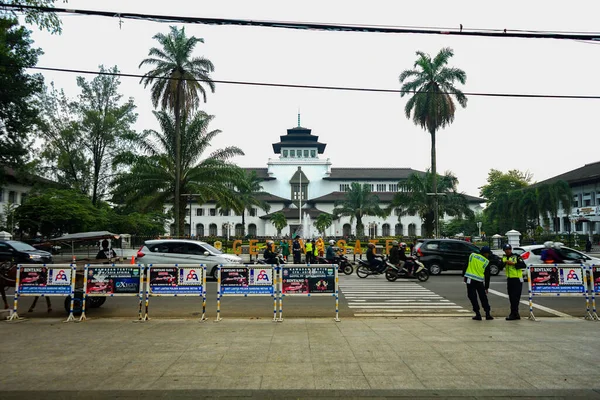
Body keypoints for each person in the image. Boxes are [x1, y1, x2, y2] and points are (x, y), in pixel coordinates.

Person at [463, 246, 493, 321]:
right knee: (483, 297)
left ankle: (478, 314)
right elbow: (487, 276)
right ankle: (487, 314)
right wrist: (486, 287)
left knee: (472, 297)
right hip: (479, 281)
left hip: (470, 279)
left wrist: (464, 275)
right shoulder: (486, 261)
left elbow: (466, 265)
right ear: (485, 253)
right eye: (487, 253)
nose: (488, 255)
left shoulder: (472, 256)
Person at [500, 243, 526, 320]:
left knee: (515, 297)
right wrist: (503, 263)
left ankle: (513, 314)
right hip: (510, 279)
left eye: (509, 249)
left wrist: (513, 264)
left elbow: (523, 265)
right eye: (506, 250)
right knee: (511, 297)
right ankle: (516, 313)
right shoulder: (504, 257)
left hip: (517, 279)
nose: (507, 251)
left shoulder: (516, 256)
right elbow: (500, 266)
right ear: (504, 250)